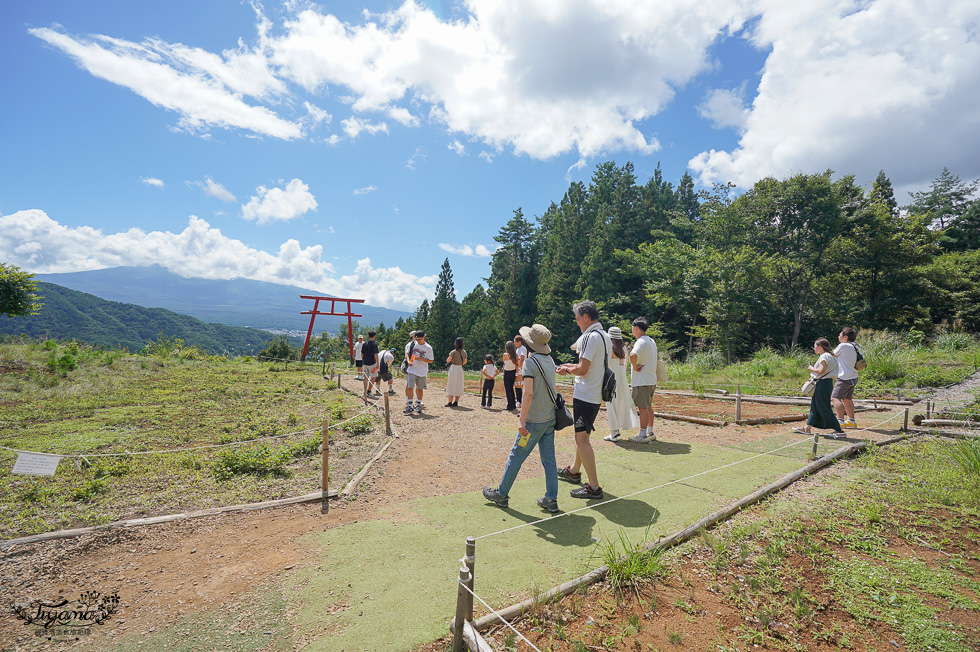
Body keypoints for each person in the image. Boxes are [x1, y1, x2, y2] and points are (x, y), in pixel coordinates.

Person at [483, 324, 560, 513]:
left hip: (533, 421)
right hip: (549, 418)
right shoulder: (550, 360)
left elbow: (527, 394)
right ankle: (551, 499)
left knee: (516, 456)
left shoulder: (531, 363)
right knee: (549, 460)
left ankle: (501, 494)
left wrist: (521, 420)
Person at [556, 300, 611, 500]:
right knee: (583, 435)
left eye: (578, 318)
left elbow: (583, 369)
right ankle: (574, 470)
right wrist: (572, 365)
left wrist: (567, 370)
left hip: (585, 395)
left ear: (586, 317)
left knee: (582, 439)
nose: (577, 322)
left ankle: (594, 487)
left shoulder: (588, 337)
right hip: (595, 394)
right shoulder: (604, 336)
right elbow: (590, 364)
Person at [794, 338, 845, 438]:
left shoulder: (824, 356)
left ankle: (839, 430)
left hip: (822, 383)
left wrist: (811, 368)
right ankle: (807, 428)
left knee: (823, 407)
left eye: (815, 346)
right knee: (815, 406)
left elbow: (821, 371)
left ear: (821, 347)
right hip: (825, 383)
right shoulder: (831, 356)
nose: (814, 348)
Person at [603, 326, 639, 442]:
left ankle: (613, 432)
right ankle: (615, 429)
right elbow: (625, 365)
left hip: (610, 378)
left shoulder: (609, 347)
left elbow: (605, 364)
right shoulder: (623, 348)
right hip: (622, 379)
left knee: (610, 403)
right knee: (620, 402)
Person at [627, 318, 658, 443]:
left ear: (636, 328)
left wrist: (634, 367)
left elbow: (632, 355)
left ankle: (642, 434)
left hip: (642, 380)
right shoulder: (651, 340)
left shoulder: (640, 342)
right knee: (648, 406)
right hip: (651, 379)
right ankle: (650, 431)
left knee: (643, 407)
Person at [833, 327, 860, 429]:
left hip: (844, 377)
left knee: (835, 397)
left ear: (845, 337)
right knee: (847, 399)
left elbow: (833, 354)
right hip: (853, 376)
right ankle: (851, 421)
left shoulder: (843, 345)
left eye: (840, 335)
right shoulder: (856, 346)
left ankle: (840, 421)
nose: (838, 337)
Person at [404, 331, 434, 415]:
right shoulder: (412, 344)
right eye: (416, 339)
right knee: (410, 387)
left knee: (420, 388)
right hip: (412, 369)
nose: (418, 341)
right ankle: (410, 405)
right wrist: (408, 361)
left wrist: (420, 358)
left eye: (419, 339)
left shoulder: (428, 348)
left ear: (424, 337)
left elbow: (431, 360)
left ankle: (418, 404)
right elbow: (407, 353)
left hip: (422, 371)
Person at [445, 337, 467, 407]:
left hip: (453, 368)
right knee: (459, 385)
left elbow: (448, 360)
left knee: (451, 384)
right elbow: (465, 362)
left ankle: (449, 402)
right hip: (460, 368)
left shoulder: (453, 352)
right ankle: (456, 402)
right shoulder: (464, 352)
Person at [361, 330, 380, 398]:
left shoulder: (364, 343)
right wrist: (377, 363)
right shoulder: (374, 344)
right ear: (374, 336)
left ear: (368, 335)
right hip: (372, 363)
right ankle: (369, 391)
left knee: (365, 377)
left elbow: (362, 354)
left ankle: (365, 391)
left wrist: (363, 360)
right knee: (373, 377)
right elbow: (376, 355)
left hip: (365, 362)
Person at [502, 340, 519, 410]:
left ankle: (510, 405)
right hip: (513, 372)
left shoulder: (505, 355)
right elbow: (517, 364)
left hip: (507, 372)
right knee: (511, 389)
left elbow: (504, 361)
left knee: (508, 390)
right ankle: (513, 405)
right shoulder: (515, 355)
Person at [514, 334, 528, 407]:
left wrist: (519, 367)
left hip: (521, 369)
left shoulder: (522, 348)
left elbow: (522, 358)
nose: (514, 343)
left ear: (519, 342)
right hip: (518, 368)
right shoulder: (518, 349)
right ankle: (518, 398)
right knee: (517, 384)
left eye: (515, 342)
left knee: (519, 385)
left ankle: (520, 400)